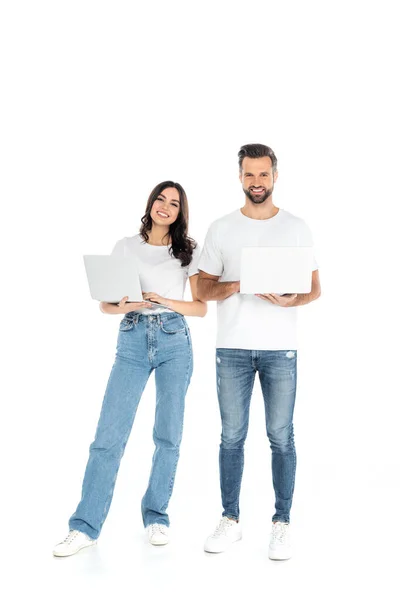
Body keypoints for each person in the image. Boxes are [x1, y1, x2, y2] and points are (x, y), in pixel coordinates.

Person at [53, 181, 206, 557]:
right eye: (161, 199)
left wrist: (164, 300)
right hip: (133, 338)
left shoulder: (188, 251)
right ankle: (85, 526)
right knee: (108, 435)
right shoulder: (125, 246)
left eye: (174, 203)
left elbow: (200, 307)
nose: (165, 207)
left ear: (180, 212)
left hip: (174, 340)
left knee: (167, 435)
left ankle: (156, 516)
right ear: (151, 203)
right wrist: (126, 305)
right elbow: (106, 305)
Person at [197, 144, 321, 560]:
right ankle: (229, 519)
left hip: (280, 349)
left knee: (281, 437)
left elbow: (314, 288)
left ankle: (281, 523)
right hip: (231, 347)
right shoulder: (221, 228)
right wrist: (239, 283)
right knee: (231, 437)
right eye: (249, 175)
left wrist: (291, 301)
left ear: (275, 176)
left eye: (263, 175)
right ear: (239, 177)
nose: (256, 182)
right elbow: (201, 289)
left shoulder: (297, 227)